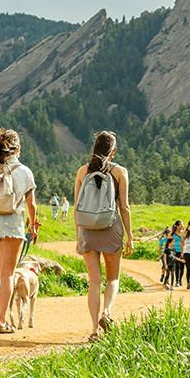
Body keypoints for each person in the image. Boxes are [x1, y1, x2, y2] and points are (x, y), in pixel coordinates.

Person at [0, 127, 37, 334]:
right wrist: (32, 224)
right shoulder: (25, 171)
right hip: (11, 223)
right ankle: (2, 322)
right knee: (7, 274)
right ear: (17, 149)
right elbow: (31, 205)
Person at [74, 131, 133, 342]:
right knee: (113, 278)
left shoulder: (82, 171)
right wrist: (129, 236)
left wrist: (78, 235)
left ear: (94, 149)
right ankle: (106, 313)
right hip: (111, 227)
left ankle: (93, 331)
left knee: (94, 281)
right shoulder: (120, 172)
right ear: (113, 150)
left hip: (87, 229)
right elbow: (124, 207)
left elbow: (76, 208)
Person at [170, 219, 185, 287]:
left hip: (182, 251)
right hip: (174, 251)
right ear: (177, 226)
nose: (182, 226)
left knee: (182, 266)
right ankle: (177, 281)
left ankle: (180, 280)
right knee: (176, 266)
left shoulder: (183, 233)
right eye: (181, 224)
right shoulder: (172, 234)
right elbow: (169, 242)